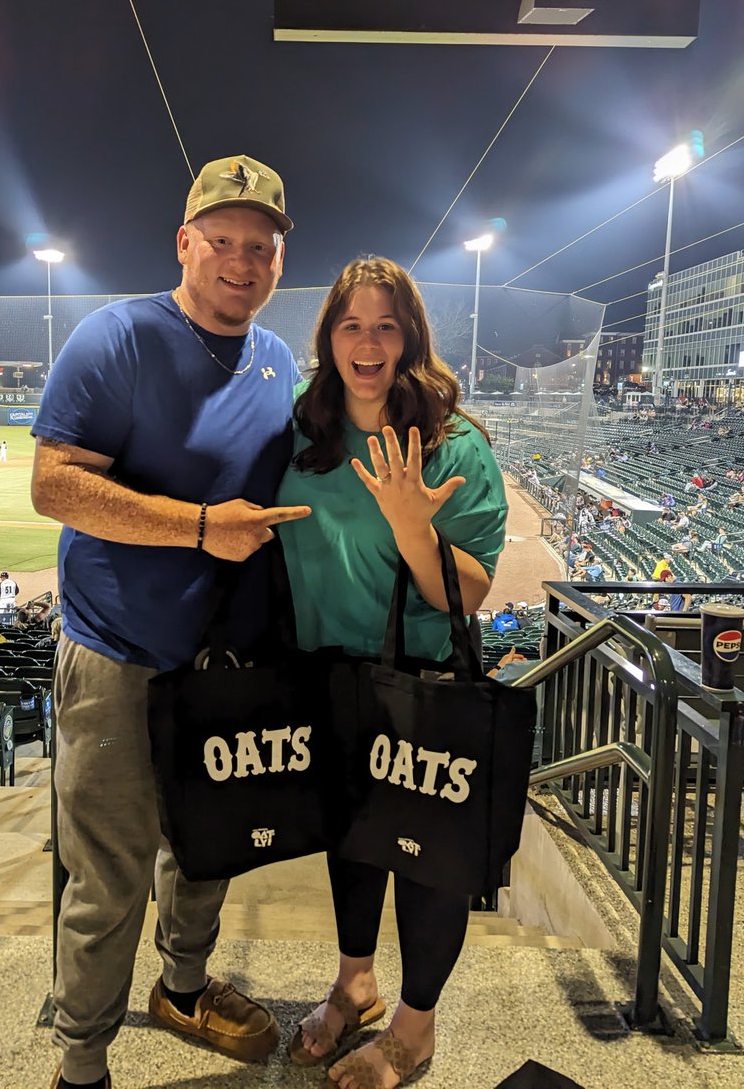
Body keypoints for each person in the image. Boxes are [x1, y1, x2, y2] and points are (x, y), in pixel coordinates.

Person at [30, 154, 311, 1089]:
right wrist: (195, 528)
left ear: (279, 260)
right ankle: (81, 1062)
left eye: (260, 247)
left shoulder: (275, 359)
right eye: (223, 242)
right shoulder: (116, 337)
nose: (241, 261)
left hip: (219, 664)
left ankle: (183, 990)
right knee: (107, 879)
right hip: (114, 653)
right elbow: (56, 484)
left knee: (207, 846)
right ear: (184, 243)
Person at [277, 256, 507, 1089]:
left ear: (409, 335)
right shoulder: (308, 429)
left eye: (385, 325)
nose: (367, 343)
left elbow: (469, 591)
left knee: (426, 854)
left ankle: (415, 1028)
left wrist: (414, 527)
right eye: (350, 324)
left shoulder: (453, 441)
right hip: (330, 674)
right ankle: (355, 982)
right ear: (328, 337)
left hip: (422, 680)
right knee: (351, 836)